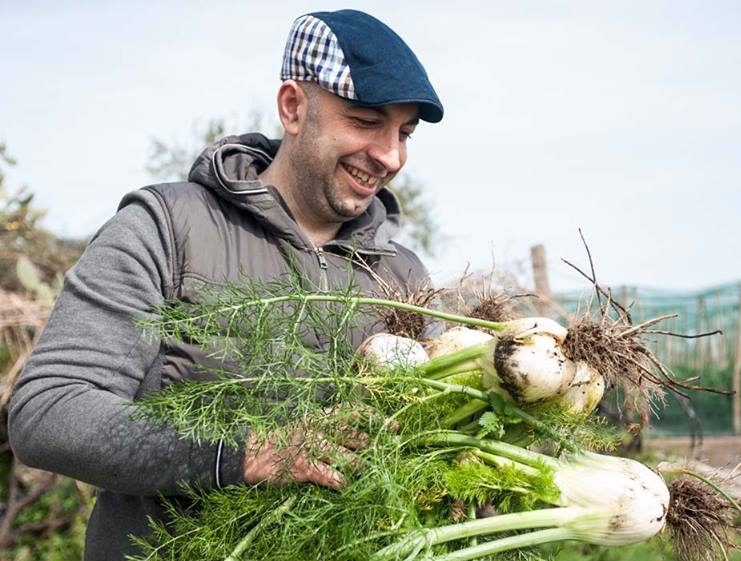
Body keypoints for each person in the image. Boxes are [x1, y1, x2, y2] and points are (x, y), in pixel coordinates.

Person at [8, 9, 443, 561]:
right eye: (364, 121)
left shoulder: (402, 277)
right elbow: (48, 411)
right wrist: (239, 455)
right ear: (293, 107)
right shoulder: (167, 227)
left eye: (404, 133)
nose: (390, 155)